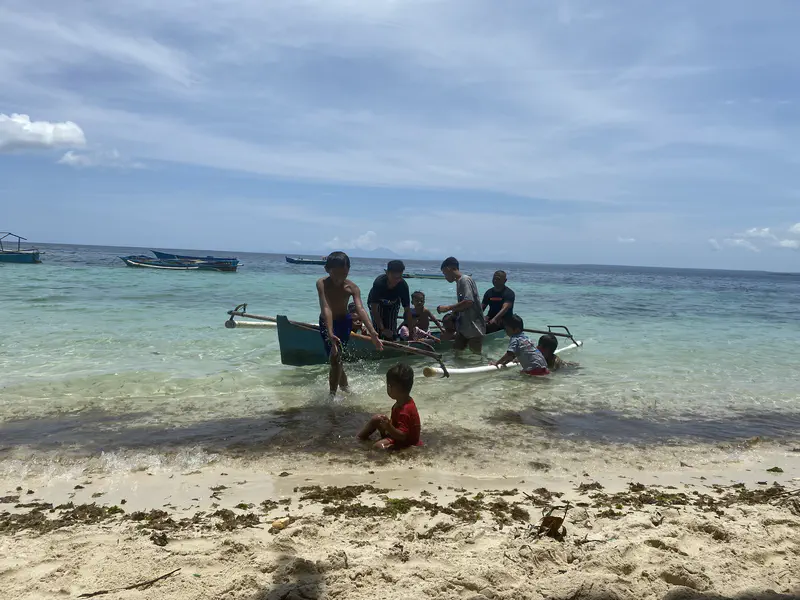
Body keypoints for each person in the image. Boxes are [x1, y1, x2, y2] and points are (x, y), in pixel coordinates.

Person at [316, 252, 383, 396]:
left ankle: (336, 394)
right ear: (327, 270)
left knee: (336, 359)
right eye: (336, 274)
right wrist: (330, 332)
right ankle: (340, 393)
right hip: (326, 323)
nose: (340, 278)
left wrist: (372, 333)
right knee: (336, 359)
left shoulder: (352, 288)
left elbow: (360, 309)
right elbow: (326, 307)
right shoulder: (321, 283)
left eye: (344, 274)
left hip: (344, 323)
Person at [357, 363, 421, 450]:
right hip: (396, 434)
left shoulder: (405, 411)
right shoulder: (402, 402)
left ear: (392, 387)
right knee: (377, 419)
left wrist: (389, 427)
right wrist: (389, 426)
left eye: (388, 385)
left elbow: (403, 436)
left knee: (378, 446)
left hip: (406, 443)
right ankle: (358, 439)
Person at [436, 257, 486, 353]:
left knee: (475, 356)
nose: (445, 277)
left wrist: (447, 308)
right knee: (456, 352)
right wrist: (453, 314)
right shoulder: (459, 282)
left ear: (448, 269)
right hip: (464, 328)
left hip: (474, 328)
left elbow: (468, 302)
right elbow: (463, 305)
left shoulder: (465, 280)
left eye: (444, 273)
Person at [368, 260, 413, 340]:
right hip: (377, 304)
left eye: (399, 278)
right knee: (378, 332)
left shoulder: (403, 286)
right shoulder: (379, 284)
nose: (396, 281)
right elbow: (374, 310)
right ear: (387, 272)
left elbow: (407, 310)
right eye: (393, 278)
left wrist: (411, 333)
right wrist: (383, 329)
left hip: (393, 304)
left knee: (391, 331)